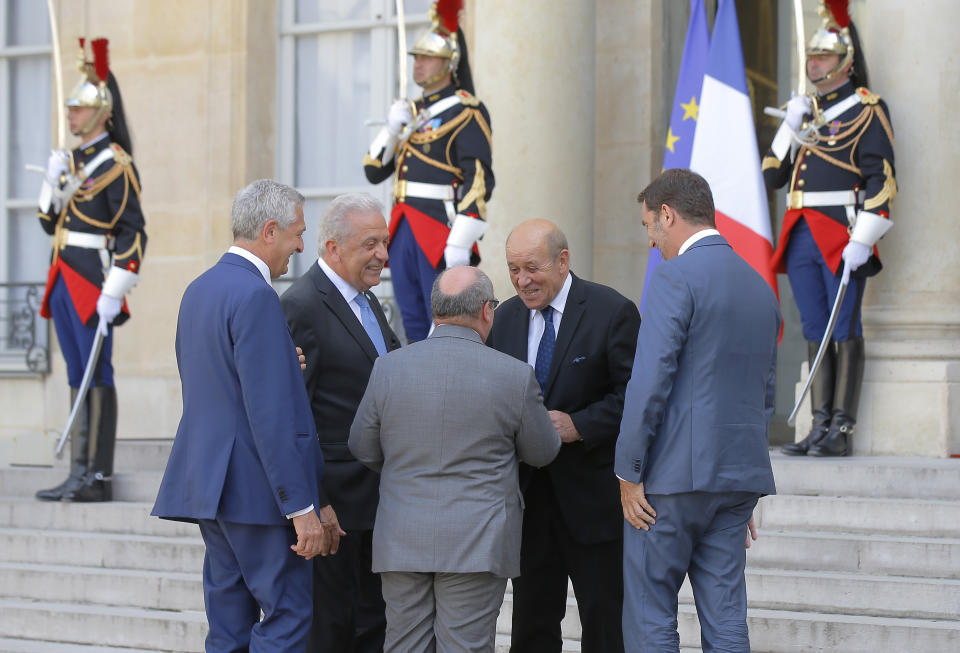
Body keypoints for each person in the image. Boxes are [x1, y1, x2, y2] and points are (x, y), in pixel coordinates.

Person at [152, 180, 333, 652]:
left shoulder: (199, 288)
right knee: (287, 617)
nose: (300, 245)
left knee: (228, 628)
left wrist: (280, 363)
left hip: (211, 489)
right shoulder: (256, 295)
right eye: (297, 233)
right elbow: (270, 414)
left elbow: (218, 382)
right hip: (258, 494)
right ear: (269, 231)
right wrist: (300, 506)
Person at [349, 266, 561, 653]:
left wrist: (403, 468)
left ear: (435, 312)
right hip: (478, 539)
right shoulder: (514, 375)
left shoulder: (388, 368)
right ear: (486, 311)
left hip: (402, 533)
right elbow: (543, 451)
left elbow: (362, 447)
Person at [616, 169, 779, 651]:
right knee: (727, 619)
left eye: (648, 226)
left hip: (671, 481)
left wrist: (628, 472)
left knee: (650, 616)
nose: (650, 241)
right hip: (736, 477)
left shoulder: (672, 277)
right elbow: (763, 393)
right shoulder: (760, 286)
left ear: (667, 214)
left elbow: (648, 383)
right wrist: (738, 480)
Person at [485, 219, 641, 653]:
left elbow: (636, 395)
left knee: (605, 619)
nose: (522, 280)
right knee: (531, 620)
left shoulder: (613, 311)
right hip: (528, 501)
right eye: (513, 269)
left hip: (592, 500)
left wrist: (580, 425)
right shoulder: (503, 319)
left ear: (563, 261)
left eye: (532, 268)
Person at [763, 0, 895, 457]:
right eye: (811, 57)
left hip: (841, 231)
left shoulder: (866, 110)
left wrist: (865, 237)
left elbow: (881, 179)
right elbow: (772, 177)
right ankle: (818, 425)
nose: (812, 64)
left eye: (822, 58)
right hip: (800, 228)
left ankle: (842, 429)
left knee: (843, 326)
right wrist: (790, 126)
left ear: (844, 65)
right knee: (816, 327)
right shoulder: (807, 113)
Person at [280, 193, 402, 653]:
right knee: (331, 632)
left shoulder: (368, 302)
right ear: (332, 247)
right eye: (371, 244)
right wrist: (317, 502)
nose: (383, 256)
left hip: (379, 503)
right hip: (334, 511)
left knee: (374, 625)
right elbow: (296, 416)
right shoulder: (302, 305)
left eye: (385, 243)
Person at [34, 38, 146, 503]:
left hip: (92, 281)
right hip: (62, 274)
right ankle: (78, 470)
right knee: (77, 372)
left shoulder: (115, 164)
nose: (71, 116)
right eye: (71, 109)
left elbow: (133, 232)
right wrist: (51, 182)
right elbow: (48, 223)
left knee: (97, 372)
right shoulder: (73, 161)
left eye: (79, 109)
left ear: (100, 113)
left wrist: (116, 288)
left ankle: (98, 475)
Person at [363, 0, 493, 342]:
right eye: (416, 58)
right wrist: (392, 130)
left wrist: (461, 240)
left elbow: (478, 178)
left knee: (447, 322)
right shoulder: (411, 111)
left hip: (439, 229)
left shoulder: (466, 110)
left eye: (425, 57)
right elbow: (373, 170)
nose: (417, 64)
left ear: (449, 63)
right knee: (413, 321)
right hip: (403, 225)